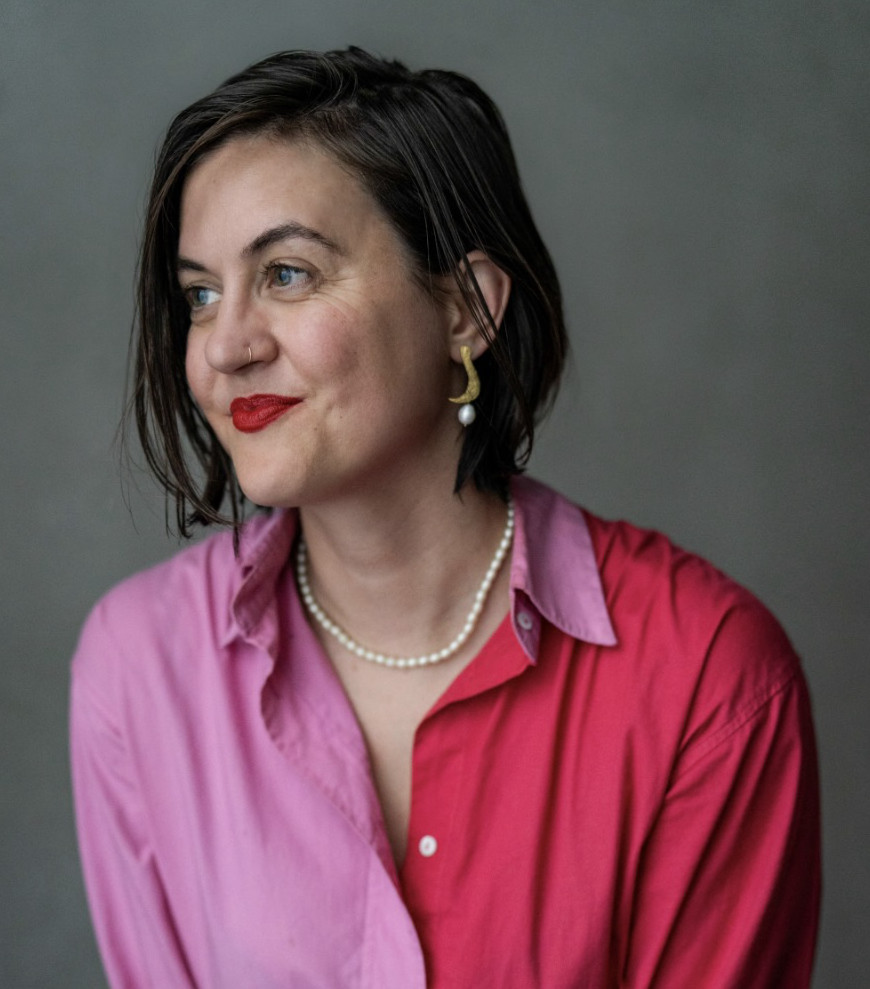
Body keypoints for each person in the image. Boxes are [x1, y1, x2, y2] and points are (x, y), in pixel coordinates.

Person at [70, 47, 820, 988]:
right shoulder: (137, 668)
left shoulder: (710, 679)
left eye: (289, 274)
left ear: (466, 307)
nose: (224, 345)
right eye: (200, 294)